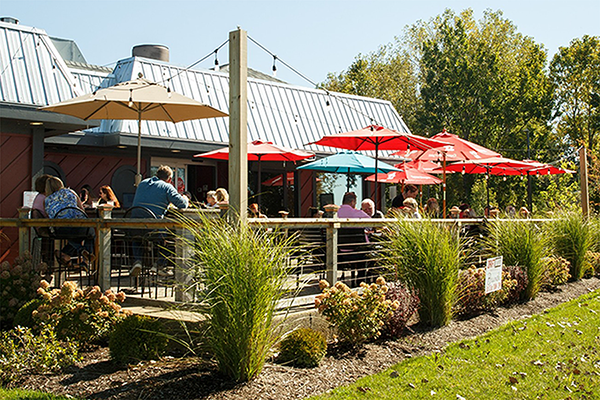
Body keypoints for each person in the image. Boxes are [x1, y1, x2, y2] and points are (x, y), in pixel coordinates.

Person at [129, 165, 189, 276]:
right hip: (153, 229)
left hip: (135, 226)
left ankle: (138, 261)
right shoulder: (167, 187)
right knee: (169, 239)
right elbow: (182, 204)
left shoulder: (142, 183)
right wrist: (185, 198)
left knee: (137, 237)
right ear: (170, 179)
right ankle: (159, 265)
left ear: (156, 174)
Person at [45, 176, 94, 269]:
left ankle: (69, 253)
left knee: (70, 234)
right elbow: (81, 210)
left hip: (60, 230)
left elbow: (50, 215)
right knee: (90, 232)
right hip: (78, 227)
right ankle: (85, 260)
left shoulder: (47, 200)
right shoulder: (70, 192)